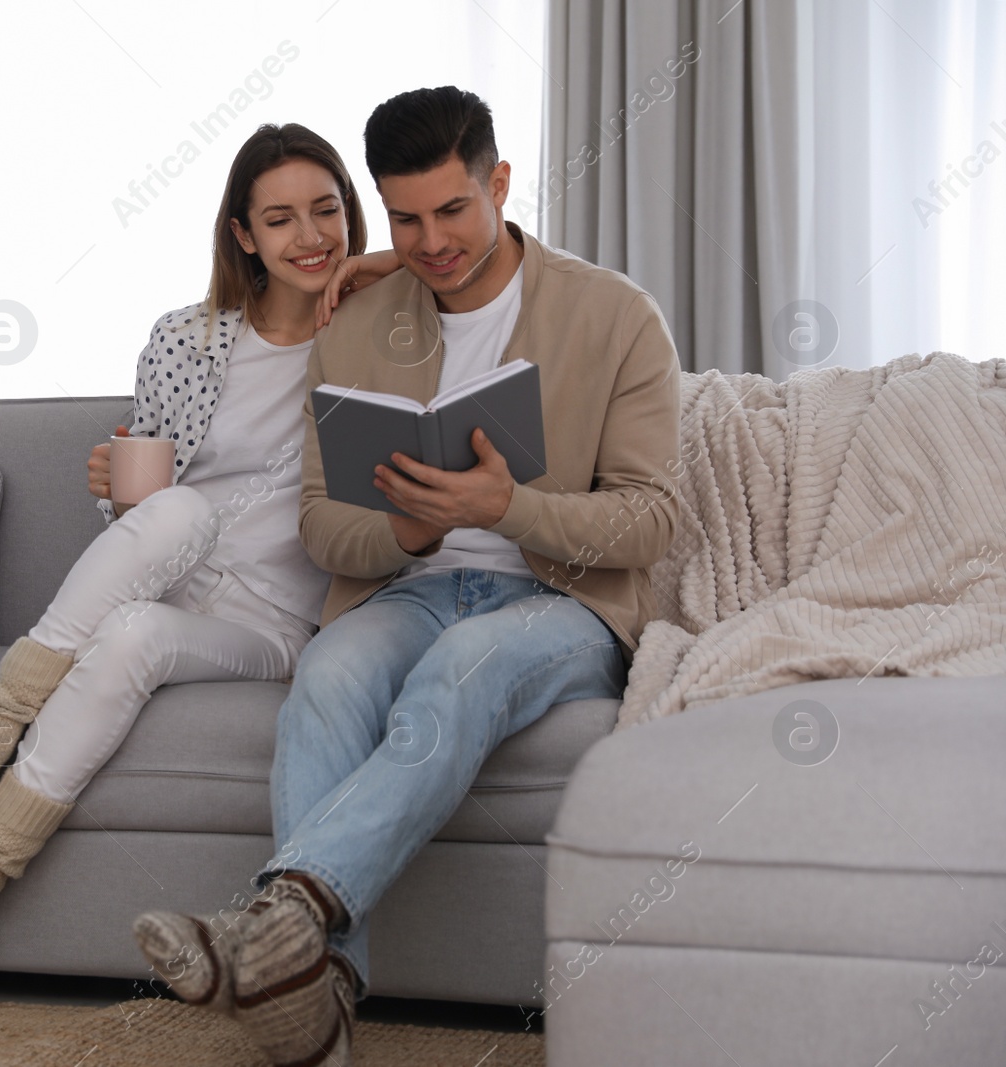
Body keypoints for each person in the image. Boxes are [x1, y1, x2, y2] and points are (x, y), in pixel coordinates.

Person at [133, 86, 681, 1067]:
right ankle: (312, 991)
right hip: (410, 588)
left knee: (462, 668)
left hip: (562, 602)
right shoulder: (358, 319)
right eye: (405, 219)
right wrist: (411, 530)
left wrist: (501, 507)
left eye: (453, 210)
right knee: (331, 673)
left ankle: (273, 918)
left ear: (499, 184)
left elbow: (650, 518)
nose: (431, 241)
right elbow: (318, 525)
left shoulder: (614, 314)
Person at [0, 123, 401, 1020]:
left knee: (139, 618)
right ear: (242, 234)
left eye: (327, 210)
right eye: (282, 217)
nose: (311, 235)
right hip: (173, 568)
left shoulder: (381, 340)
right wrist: (116, 489)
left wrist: (378, 281)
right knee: (163, 544)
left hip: (268, 623)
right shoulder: (187, 337)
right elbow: (146, 505)